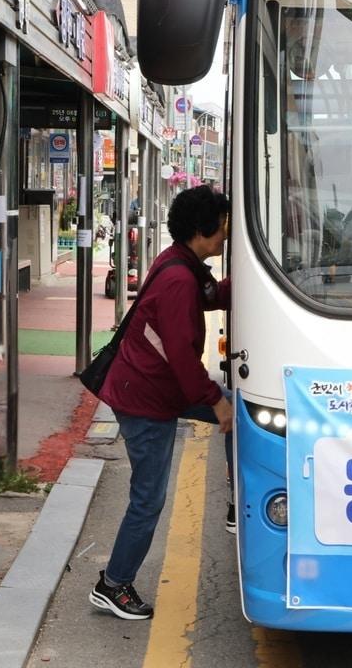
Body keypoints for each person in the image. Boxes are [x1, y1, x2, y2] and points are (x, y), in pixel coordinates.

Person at [89, 185, 232, 622]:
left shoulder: (182, 261)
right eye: (224, 228)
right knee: (148, 499)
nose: (227, 235)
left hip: (157, 389)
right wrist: (214, 403)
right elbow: (182, 357)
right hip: (146, 399)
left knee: (242, 413)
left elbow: (210, 297)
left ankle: (234, 502)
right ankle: (113, 585)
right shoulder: (176, 279)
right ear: (202, 230)